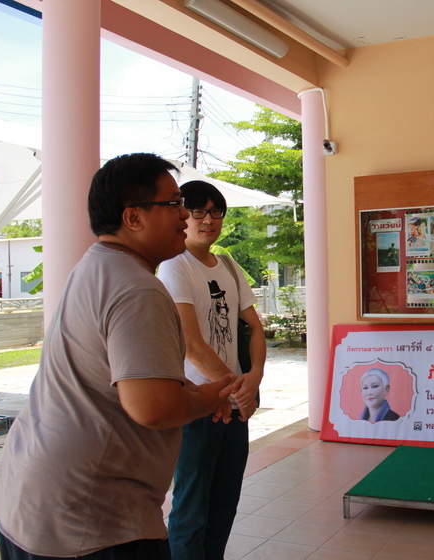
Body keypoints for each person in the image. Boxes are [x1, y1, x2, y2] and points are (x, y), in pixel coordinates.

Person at [0, 153, 236, 560]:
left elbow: (122, 378)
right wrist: (212, 396)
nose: (184, 215)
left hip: (32, 500)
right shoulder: (138, 288)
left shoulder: (95, 266)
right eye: (173, 203)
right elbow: (153, 407)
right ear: (133, 218)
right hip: (90, 518)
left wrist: (190, 390)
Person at [156, 180, 266, 560]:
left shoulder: (229, 266)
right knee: (191, 509)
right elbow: (192, 344)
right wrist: (238, 390)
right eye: (198, 211)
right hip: (199, 405)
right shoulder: (175, 266)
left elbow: (254, 327)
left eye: (215, 212)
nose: (208, 220)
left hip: (233, 405)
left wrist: (254, 379)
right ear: (182, 215)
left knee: (224, 503)